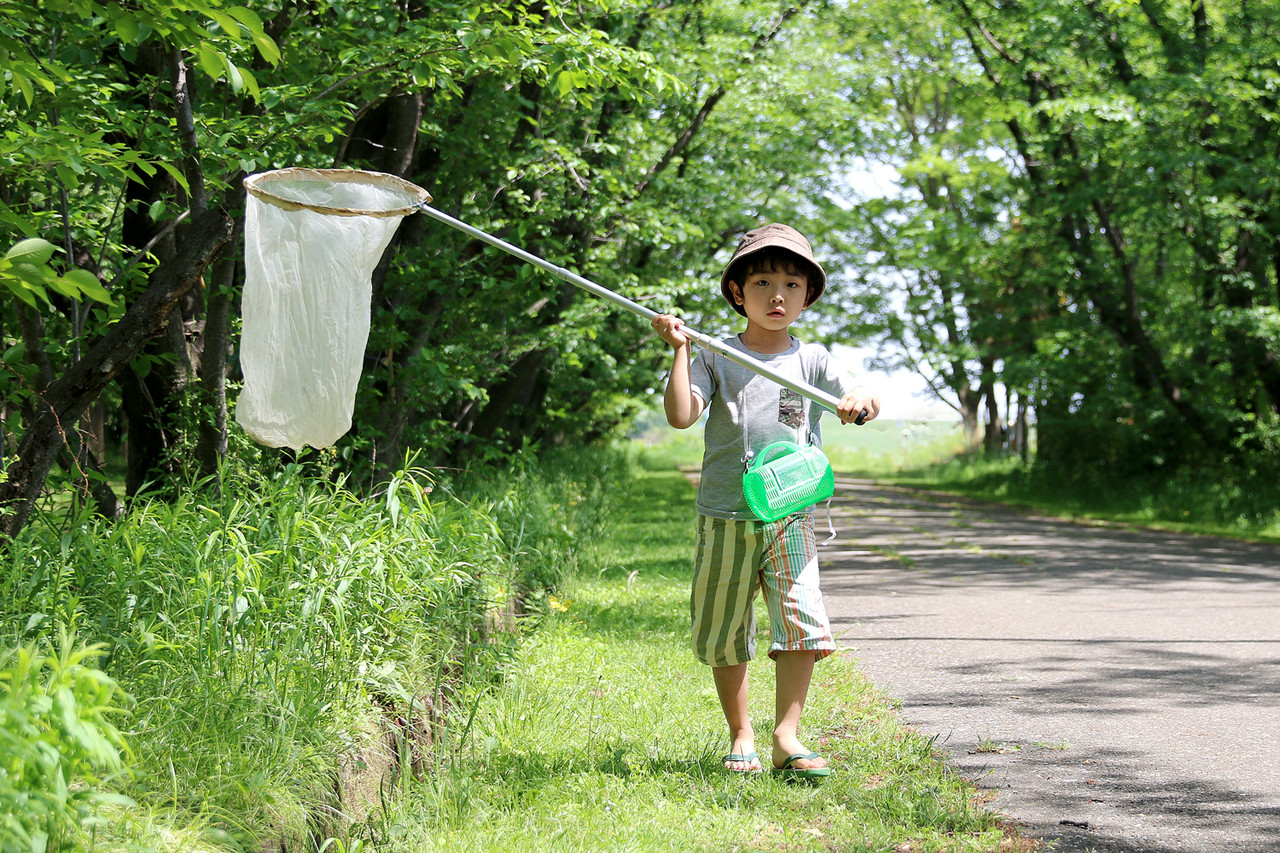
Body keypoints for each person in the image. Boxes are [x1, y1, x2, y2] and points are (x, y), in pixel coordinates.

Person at [651, 223, 881, 779]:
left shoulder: (815, 361)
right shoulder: (714, 354)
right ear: (738, 293)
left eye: (792, 285)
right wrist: (681, 352)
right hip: (726, 515)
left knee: (803, 620)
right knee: (724, 627)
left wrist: (860, 402)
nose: (777, 296)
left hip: (791, 514)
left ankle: (787, 736)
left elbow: (864, 397)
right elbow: (682, 415)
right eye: (762, 283)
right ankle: (742, 734)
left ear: (807, 295)